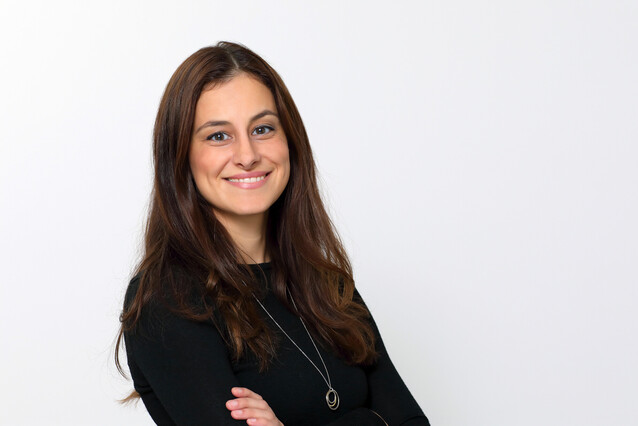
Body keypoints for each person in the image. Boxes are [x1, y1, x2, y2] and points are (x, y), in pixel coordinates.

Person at [116, 41, 429, 426]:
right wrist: (372, 419)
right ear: (181, 158)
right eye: (218, 136)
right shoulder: (168, 300)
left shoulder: (328, 284)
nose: (247, 155)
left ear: (290, 142)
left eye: (262, 129)